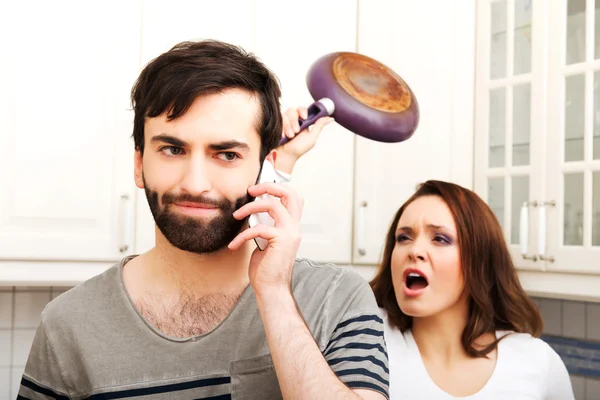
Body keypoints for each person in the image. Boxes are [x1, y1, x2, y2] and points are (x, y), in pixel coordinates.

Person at [18, 40, 389, 400]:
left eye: (226, 155)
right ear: (138, 164)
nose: (195, 184)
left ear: (266, 169)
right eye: (172, 149)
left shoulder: (336, 299)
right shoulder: (67, 324)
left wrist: (274, 293)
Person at [370, 180, 574, 399]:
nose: (414, 250)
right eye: (403, 238)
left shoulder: (537, 363)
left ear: (480, 261)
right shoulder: (367, 344)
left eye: (439, 238)